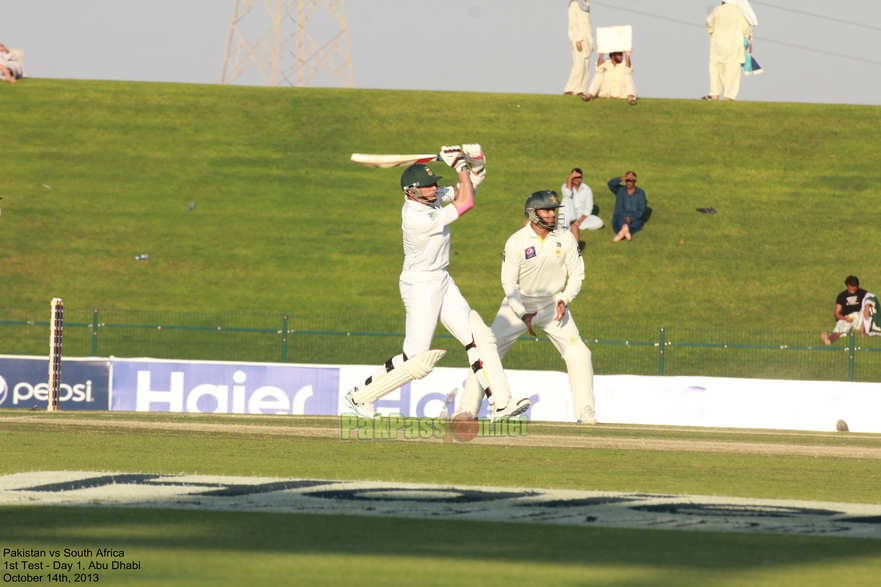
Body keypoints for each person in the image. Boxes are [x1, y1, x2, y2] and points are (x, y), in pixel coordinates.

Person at [344, 144, 531, 422]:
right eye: (428, 186)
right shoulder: (418, 216)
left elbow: (467, 191)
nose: (435, 190)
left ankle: (501, 404)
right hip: (420, 285)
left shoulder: (428, 200)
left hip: (441, 278)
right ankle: (359, 397)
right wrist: (459, 166)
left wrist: (476, 166)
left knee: (481, 337)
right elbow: (466, 203)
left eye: (435, 185)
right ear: (412, 191)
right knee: (418, 361)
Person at [456, 190, 598, 425]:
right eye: (547, 210)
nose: (552, 215)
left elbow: (576, 275)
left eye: (554, 210)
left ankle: (586, 412)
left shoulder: (566, 237)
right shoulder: (516, 241)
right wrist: (523, 313)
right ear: (532, 214)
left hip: (554, 305)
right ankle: (466, 410)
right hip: (518, 305)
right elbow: (509, 284)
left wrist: (564, 298)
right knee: (486, 352)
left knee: (580, 353)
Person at [704, 0, 754, 101]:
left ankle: (714, 94)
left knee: (716, 69)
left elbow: (709, 21)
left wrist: (711, 31)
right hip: (735, 45)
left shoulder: (717, 10)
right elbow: (746, 29)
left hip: (718, 44)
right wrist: (749, 41)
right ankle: (729, 96)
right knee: (733, 71)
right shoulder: (740, 12)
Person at [821, 276, 868, 345]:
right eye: (850, 289)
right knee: (842, 325)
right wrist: (845, 318)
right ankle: (829, 339)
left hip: (860, 318)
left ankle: (862, 331)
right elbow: (836, 314)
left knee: (868, 305)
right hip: (847, 318)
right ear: (847, 286)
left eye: (854, 290)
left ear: (857, 286)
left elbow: (872, 301)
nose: (852, 291)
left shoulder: (863, 293)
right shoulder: (842, 296)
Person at [561, 168, 603, 244]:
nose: (577, 179)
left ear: (582, 178)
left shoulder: (587, 189)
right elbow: (568, 194)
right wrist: (569, 178)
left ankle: (574, 227)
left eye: (579, 177)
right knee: (565, 200)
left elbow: (588, 208)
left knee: (599, 222)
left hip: (582, 217)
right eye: (574, 177)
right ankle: (568, 226)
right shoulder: (565, 186)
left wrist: (579, 221)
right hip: (569, 215)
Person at [563, 0, 594, 101]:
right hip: (578, 38)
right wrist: (577, 39)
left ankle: (581, 89)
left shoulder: (586, 6)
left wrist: (591, 41)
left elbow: (587, 25)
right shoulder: (574, 4)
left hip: (587, 38)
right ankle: (569, 89)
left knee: (586, 65)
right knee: (579, 64)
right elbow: (573, 23)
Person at [609, 172, 646, 242]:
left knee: (635, 224)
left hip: (633, 217)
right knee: (618, 221)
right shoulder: (620, 190)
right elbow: (610, 184)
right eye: (627, 180)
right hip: (620, 215)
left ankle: (622, 232)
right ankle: (625, 229)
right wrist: (622, 178)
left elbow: (641, 210)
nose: (629, 183)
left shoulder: (640, 193)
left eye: (631, 181)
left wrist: (631, 218)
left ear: (635, 181)